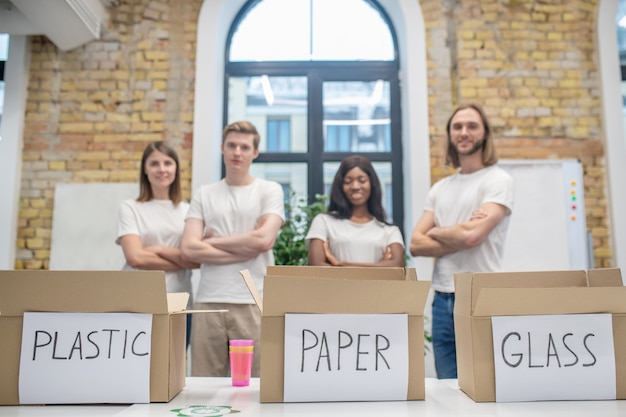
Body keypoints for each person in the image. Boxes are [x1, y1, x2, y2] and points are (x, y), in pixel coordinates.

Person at [409, 103, 514, 379]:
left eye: (471, 126)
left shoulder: (497, 180)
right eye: (457, 127)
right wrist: (462, 230)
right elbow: (416, 244)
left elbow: (473, 236)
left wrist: (438, 230)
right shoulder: (440, 189)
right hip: (441, 297)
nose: (463, 132)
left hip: (479, 293)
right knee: (447, 387)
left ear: (485, 133)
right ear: (450, 134)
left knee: (483, 383)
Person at [181, 120, 285, 377]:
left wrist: (211, 241)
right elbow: (189, 249)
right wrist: (246, 245)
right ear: (222, 148)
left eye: (244, 147)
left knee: (256, 384)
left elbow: (263, 241)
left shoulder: (269, 190)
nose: (237, 152)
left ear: (255, 153)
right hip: (209, 300)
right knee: (204, 386)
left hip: (252, 299)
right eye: (232, 145)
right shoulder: (204, 193)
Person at [116, 141, 198, 346]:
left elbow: (196, 260)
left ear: (176, 168)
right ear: (145, 169)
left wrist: (159, 249)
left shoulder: (189, 210)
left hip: (178, 300)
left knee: (174, 367)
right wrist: (181, 259)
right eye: (154, 164)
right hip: (137, 299)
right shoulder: (130, 207)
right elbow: (135, 257)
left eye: (168, 163)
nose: (162, 169)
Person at [306, 155, 404, 267]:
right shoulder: (324, 221)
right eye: (348, 182)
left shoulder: (389, 230)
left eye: (362, 181)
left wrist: (340, 264)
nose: (355, 186)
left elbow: (396, 267)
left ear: (372, 184)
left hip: (375, 286)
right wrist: (379, 266)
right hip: (334, 286)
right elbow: (316, 265)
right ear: (340, 186)